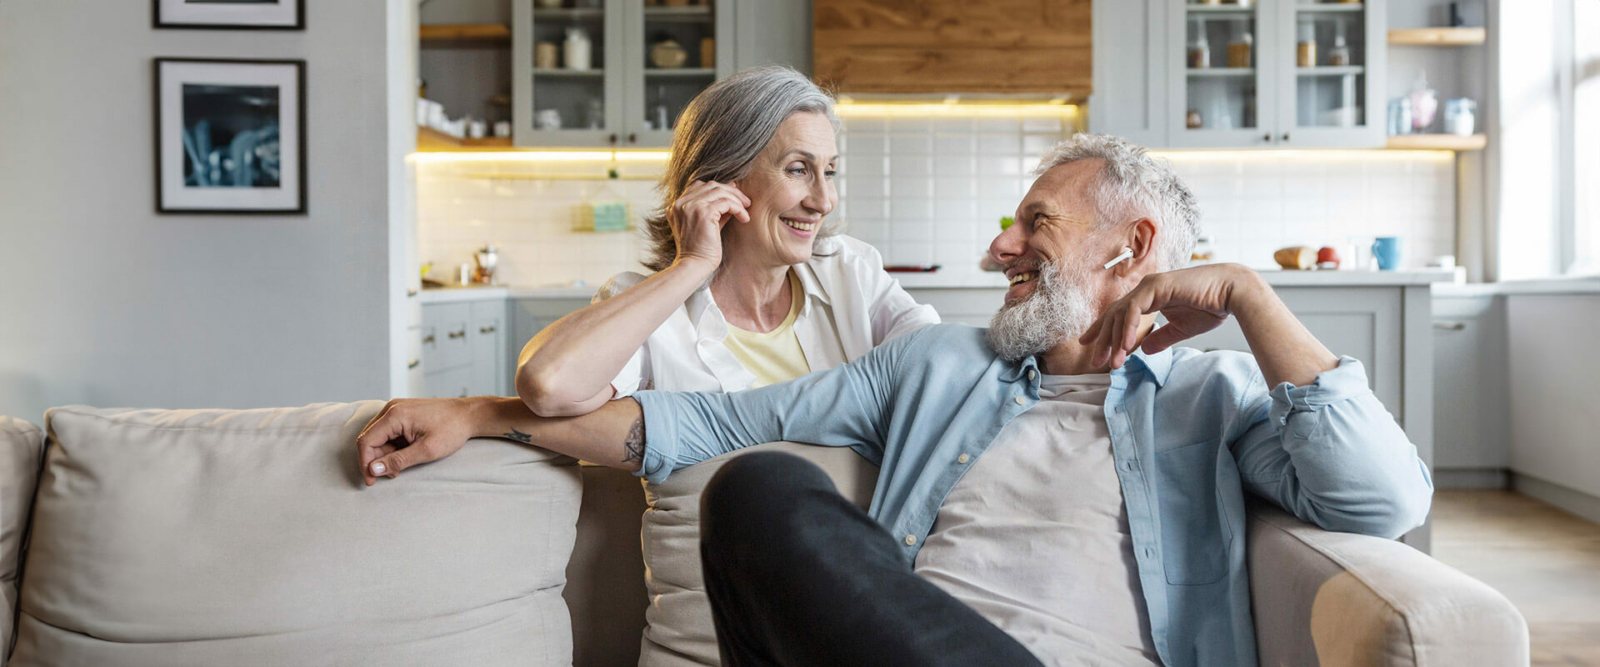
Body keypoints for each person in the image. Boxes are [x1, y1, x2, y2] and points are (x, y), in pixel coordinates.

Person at [358, 134, 1433, 666]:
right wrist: (487, 412)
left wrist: (1250, 295)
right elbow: (691, 426)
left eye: (1033, 224)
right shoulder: (934, 365)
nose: (998, 247)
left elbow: (1380, 502)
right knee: (760, 489)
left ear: (1133, 247)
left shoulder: (1213, 394)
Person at [357, 65, 936, 662]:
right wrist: (690, 266)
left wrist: (479, 413)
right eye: (798, 170)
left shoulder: (851, 273)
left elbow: (943, 373)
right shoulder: (648, 306)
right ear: (723, 179)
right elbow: (549, 385)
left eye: (830, 171)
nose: (824, 198)